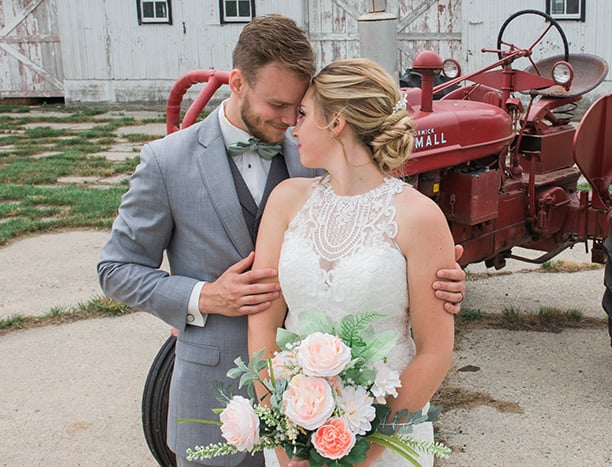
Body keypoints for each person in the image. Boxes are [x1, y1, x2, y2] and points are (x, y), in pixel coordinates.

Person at [97, 15, 465, 467]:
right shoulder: (167, 161)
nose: (291, 120)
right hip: (220, 398)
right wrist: (204, 296)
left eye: (300, 107)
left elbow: (376, 240)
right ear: (237, 83)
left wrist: (437, 276)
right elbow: (115, 270)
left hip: (351, 418)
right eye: (278, 105)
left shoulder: (316, 153)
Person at [248, 58, 456, 467]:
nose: (294, 126)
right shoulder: (286, 201)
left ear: (337, 122)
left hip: (384, 443)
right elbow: (263, 322)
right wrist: (283, 437)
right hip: (294, 438)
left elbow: (434, 351)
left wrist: (356, 454)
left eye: (304, 114)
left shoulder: (419, 216)